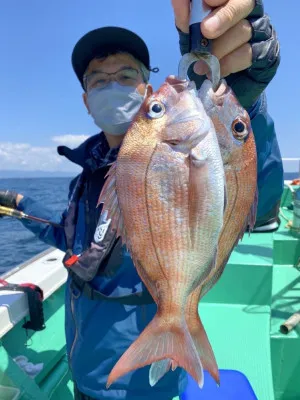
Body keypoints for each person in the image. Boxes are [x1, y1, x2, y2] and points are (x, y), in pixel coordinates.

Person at [0, 0, 283, 399]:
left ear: (146, 90)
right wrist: (19, 204)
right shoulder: (86, 176)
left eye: (125, 75)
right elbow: (72, 238)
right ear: (85, 99)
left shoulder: (177, 155)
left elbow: (254, 191)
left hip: (147, 385)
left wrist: (249, 101)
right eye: (97, 80)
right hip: (85, 374)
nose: (110, 86)